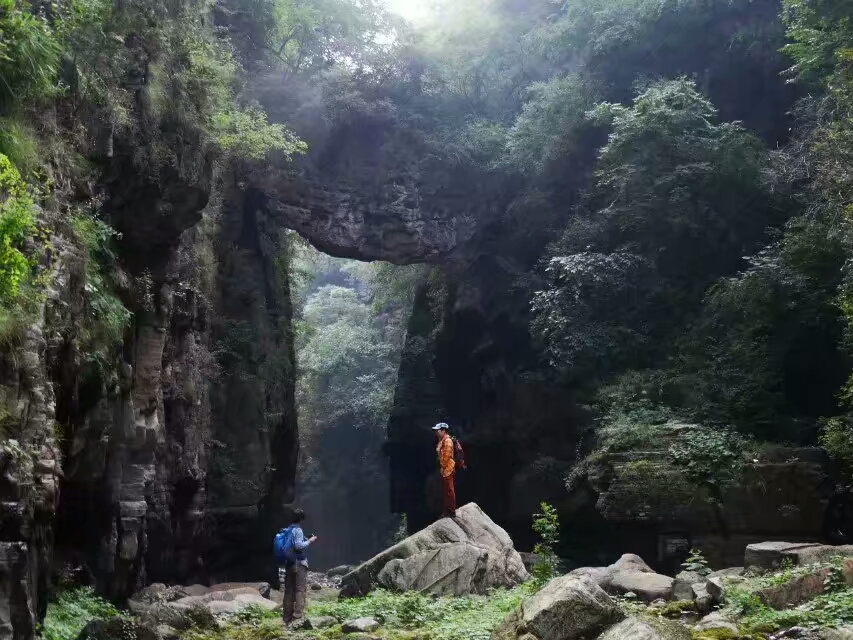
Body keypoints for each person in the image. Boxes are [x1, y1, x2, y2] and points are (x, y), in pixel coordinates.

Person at [280, 508, 317, 624]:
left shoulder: (287, 530)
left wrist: (304, 539)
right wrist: (310, 540)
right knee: (300, 590)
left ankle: (286, 617)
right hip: (299, 563)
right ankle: (297, 617)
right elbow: (298, 546)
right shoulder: (298, 530)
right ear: (300, 519)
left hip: (289, 563)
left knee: (289, 590)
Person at [433, 422, 457, 518]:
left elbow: (446, 457)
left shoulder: (447, 441)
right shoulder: (442, 440)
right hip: (445, 469)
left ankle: (451, 511)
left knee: (449, 490)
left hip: (448, 469)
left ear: (443, 430)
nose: (436, 432)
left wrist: (442, 467)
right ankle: (447, 511)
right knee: (446, 491)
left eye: (437, 430)